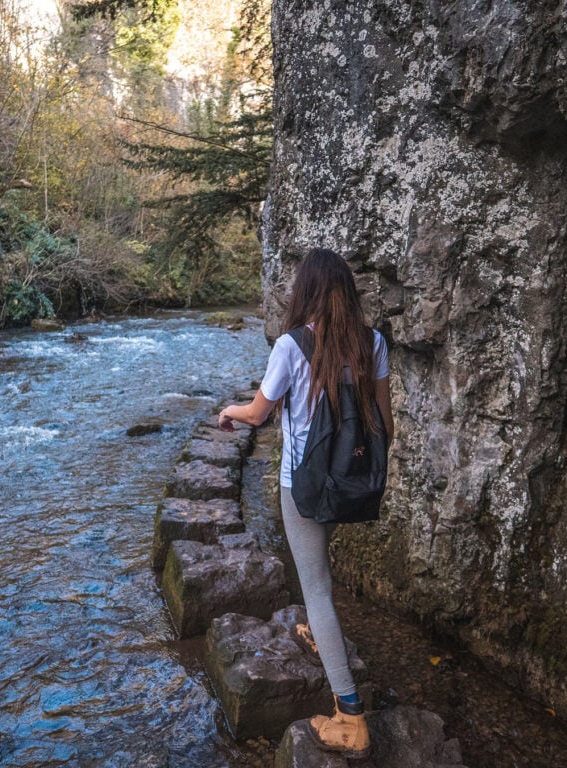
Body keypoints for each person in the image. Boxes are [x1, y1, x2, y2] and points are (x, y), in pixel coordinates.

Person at [217, 248, 394, 758]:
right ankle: (324, 635)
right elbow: (382, 419)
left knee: (315, 587)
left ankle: (351, 717)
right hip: (352, 478)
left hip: (307, 485)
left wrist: (230, 412)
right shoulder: (373, 342)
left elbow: (257, 412)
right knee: (318, 569)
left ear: (307, 291)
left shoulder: (293, 346)